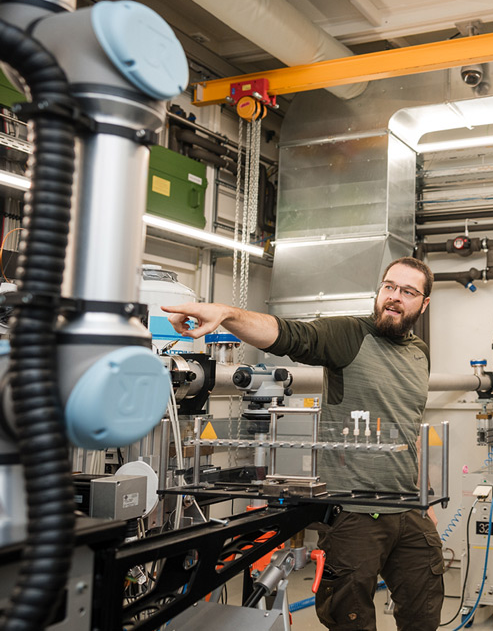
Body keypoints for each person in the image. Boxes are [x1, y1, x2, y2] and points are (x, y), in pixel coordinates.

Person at [163, 256, 443, 631]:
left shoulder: (419, 353)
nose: (394, 297)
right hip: (354, 512)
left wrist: (423, 494)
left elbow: (408, 426)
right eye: (389, 286)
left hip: (408, 508)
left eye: (408, 291)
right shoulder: (351, 335)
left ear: (423, 303)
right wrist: (226, 314)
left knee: (424, 615)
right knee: (351, 621)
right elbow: (287, 333)